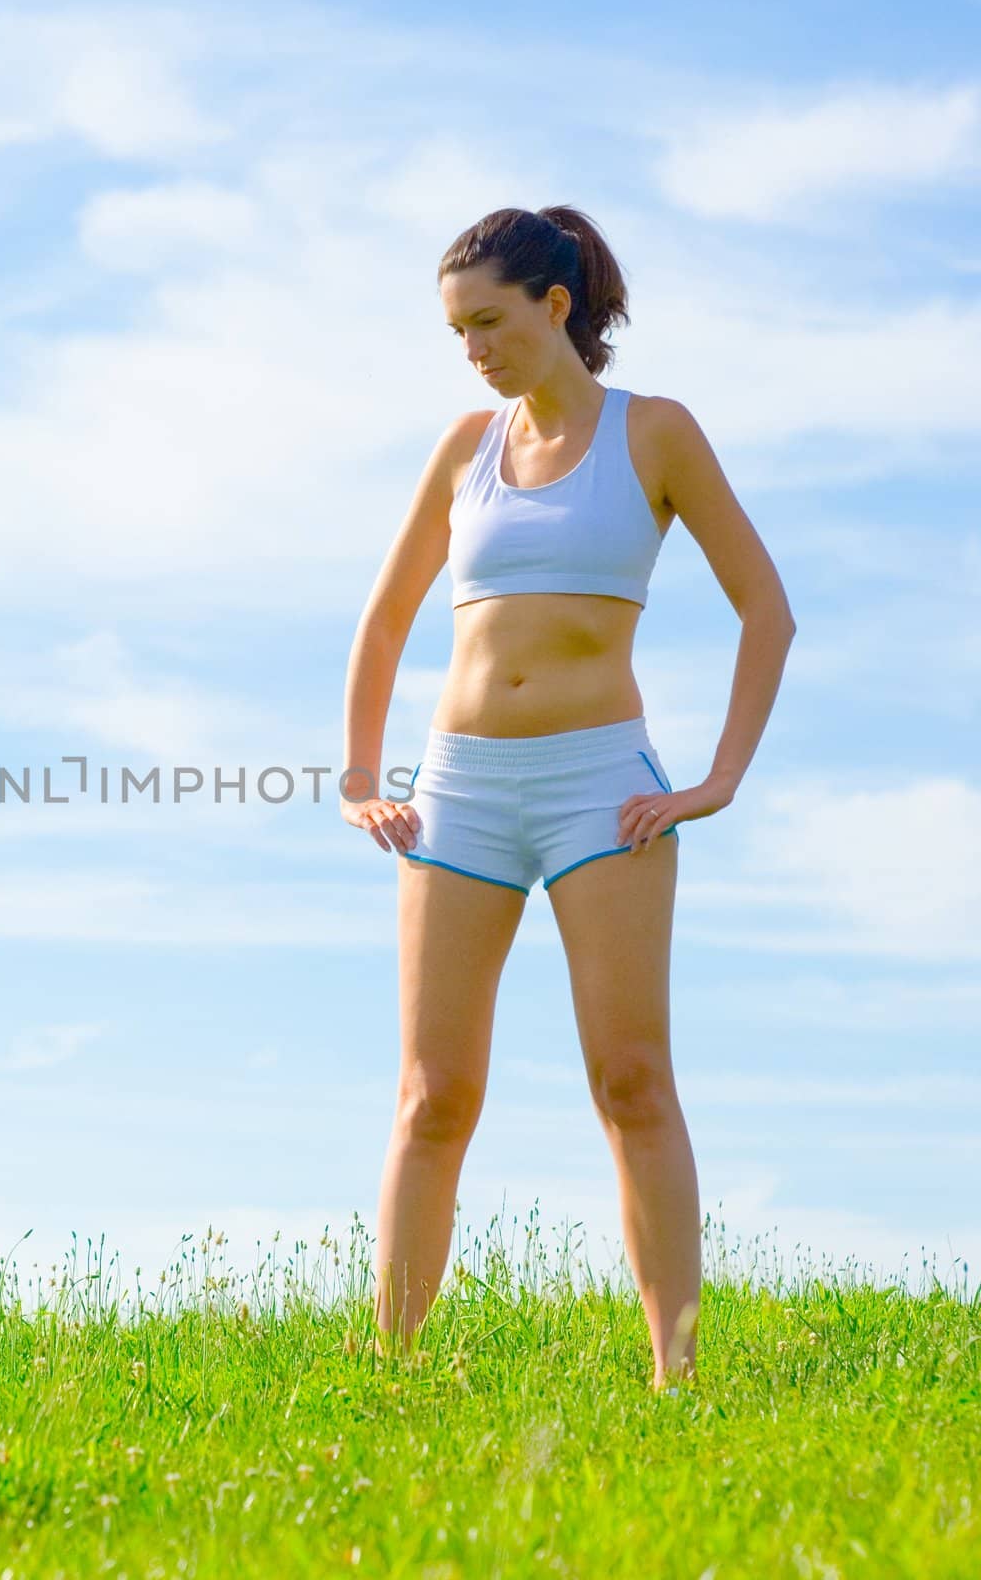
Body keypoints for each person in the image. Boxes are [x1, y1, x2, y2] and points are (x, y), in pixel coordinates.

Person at [339, 205, 796, 1390]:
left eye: (488, 322)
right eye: (455, 332)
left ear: (556, 306)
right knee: (432, 1095)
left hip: (606, 789)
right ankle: (388, 1371)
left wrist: (716, 779)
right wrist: (359, 779)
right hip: (460, 794)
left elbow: (767, 609)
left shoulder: (656, 435)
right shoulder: (461, 448)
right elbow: (385, 622)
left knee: (630, 1079)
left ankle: (675, 1377)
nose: (474, 350)